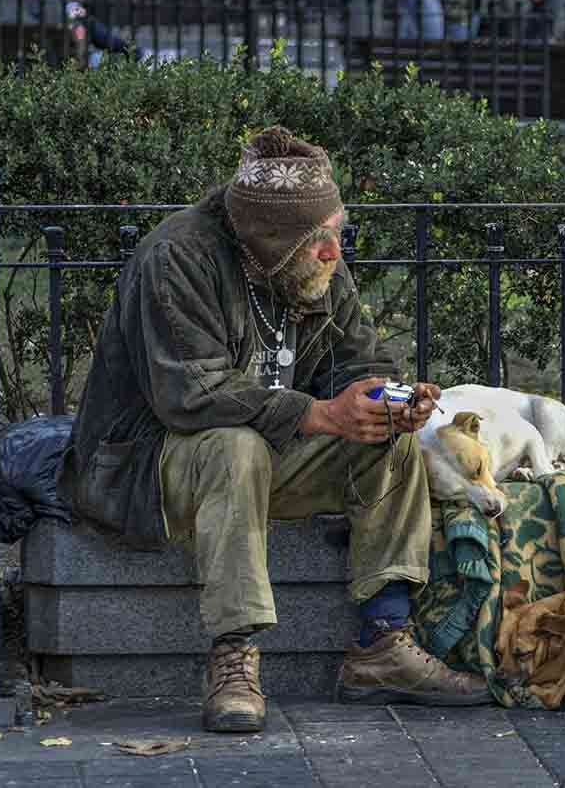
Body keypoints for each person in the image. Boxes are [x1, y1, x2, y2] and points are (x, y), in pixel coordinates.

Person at [57, 126, 492, 734]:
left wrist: (390, 399)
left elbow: (358, 359)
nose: (334, 252)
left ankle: (382, 646)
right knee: (237, 447)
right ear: (272, 241)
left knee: (386, 441)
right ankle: (234, 657)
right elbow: (190, 393)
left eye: (337, 232)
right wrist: (319, 413)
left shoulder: (314, 263)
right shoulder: (177, 257)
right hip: (146, 470)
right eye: (320, 240)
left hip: (263, 457)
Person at [47, 0, 149, 65]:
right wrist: (135, 51)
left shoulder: (43, 10)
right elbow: (104, 38)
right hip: (78, 67)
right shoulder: (75, 11)